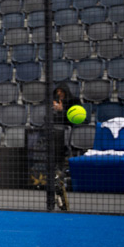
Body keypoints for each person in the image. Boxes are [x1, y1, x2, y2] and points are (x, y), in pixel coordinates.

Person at [50, 83, 80, 211]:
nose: (59, 94)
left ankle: (61, 172)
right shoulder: (54, 102)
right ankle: (57, 172)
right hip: (57, 132)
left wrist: (63, 111)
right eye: (58, 92)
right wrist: (56, 111)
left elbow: (77, 119)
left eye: (61, 92)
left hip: (70, 129)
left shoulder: (74, 101)